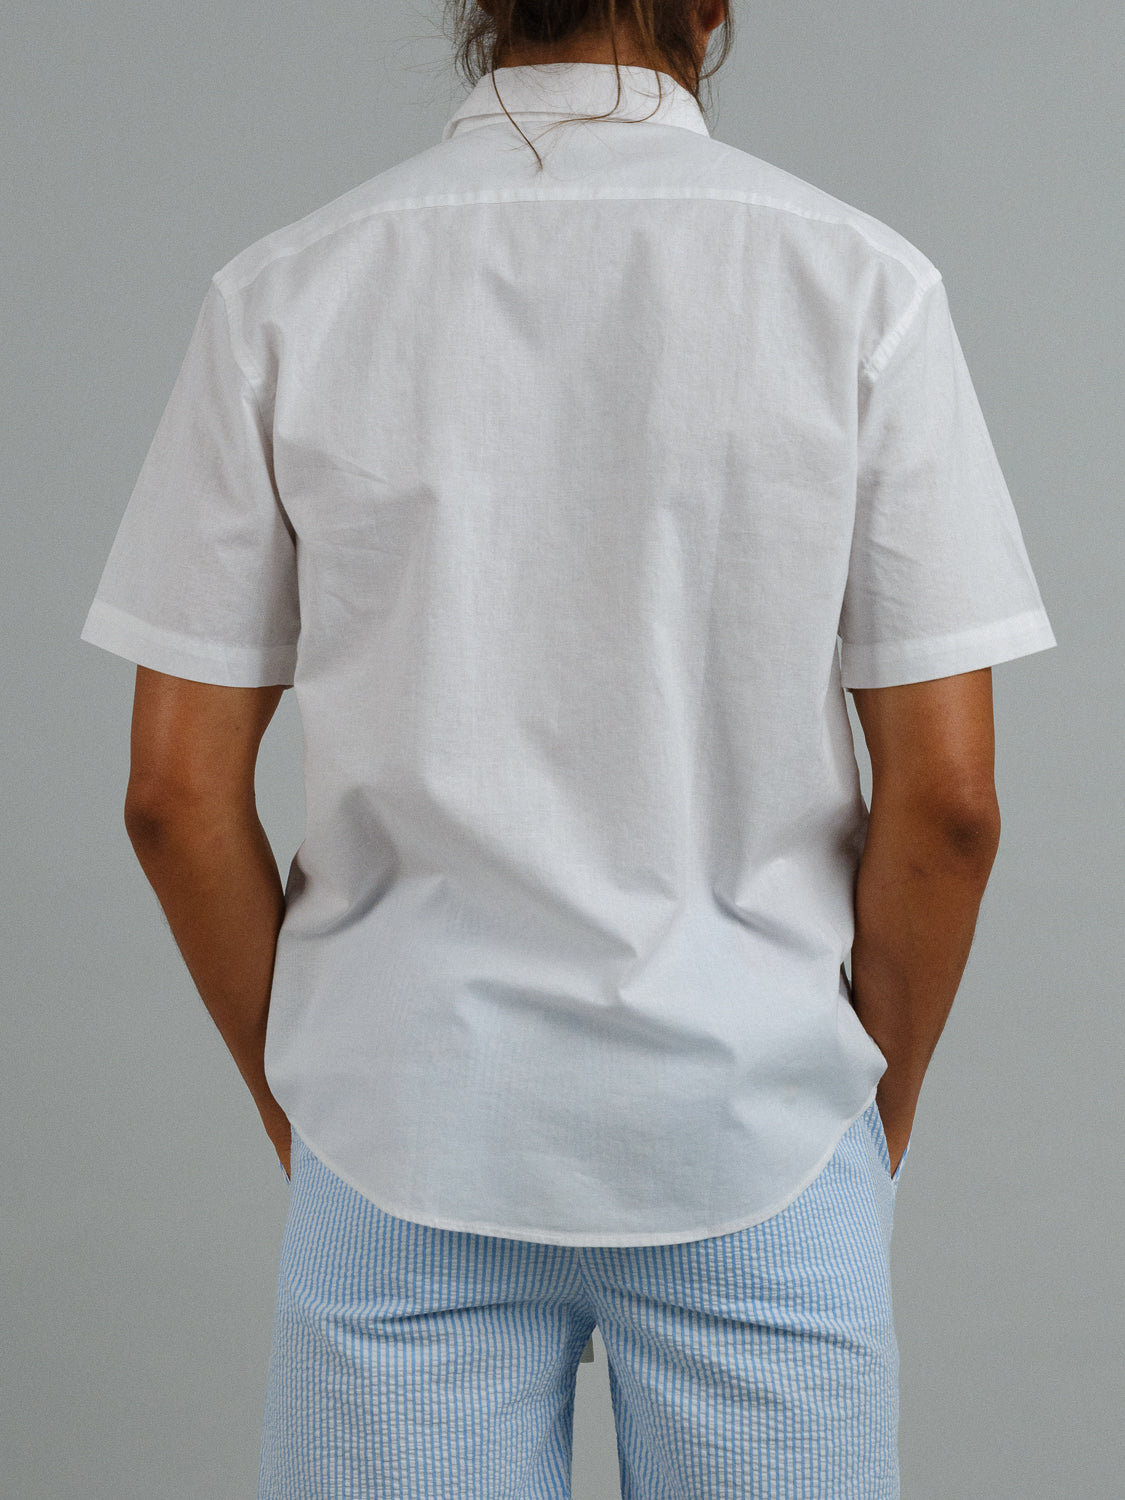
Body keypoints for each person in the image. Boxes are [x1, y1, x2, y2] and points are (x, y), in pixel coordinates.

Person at [79, 1, 1057, 1496]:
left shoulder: (287, 291)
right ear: (714, 6)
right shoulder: (858, 286)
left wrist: (317, 1104)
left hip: (400, 1119)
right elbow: (950, 807)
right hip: (758, 1127)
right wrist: (860, 1127)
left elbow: (173, 793)